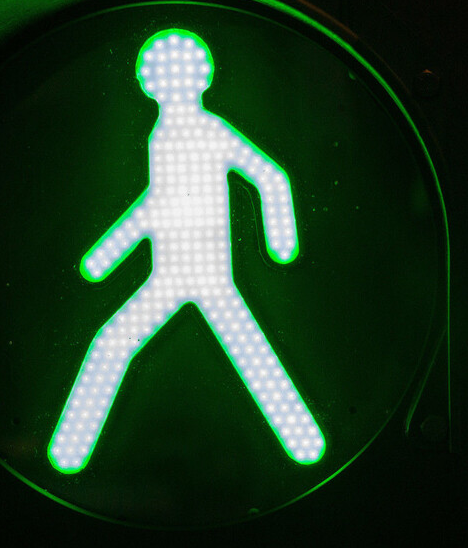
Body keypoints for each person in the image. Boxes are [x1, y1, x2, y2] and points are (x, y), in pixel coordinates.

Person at [48, 29, 325, 473]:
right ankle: (69, 453)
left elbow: (269, 175)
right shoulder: (160, 136)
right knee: (113, 344)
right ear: (148, 83)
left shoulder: (210, 130)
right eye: (159, 74)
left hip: (209, 274)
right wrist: (108, 253)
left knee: (244, 355)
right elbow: (157, 202)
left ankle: (306, 444)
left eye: (172, 72)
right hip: (169, 274)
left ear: (200, 77)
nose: (168, 83)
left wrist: (281, 241)